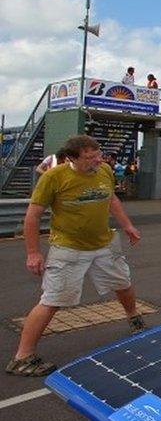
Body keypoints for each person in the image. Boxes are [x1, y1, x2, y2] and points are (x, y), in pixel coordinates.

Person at [6, 135, 144, 377]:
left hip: (104, 244)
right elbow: (33, 216)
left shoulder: (104, 171)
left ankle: (134, 317)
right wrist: (32, 252)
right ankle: (22, 357)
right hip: (69, 248)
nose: (97, 160)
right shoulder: (54, 177)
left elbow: (111, 199)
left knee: (123, 284)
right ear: (71, 158)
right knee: (52, 300)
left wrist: (128, 225)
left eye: (98, 154)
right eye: (89, 158)